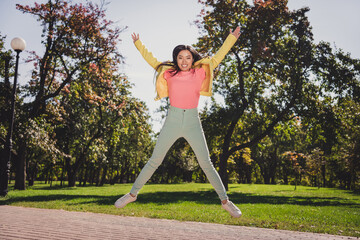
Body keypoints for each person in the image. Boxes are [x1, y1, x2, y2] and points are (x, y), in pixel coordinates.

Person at [115, 27, 242, 218]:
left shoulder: (199, 73)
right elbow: (152, 61)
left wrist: (231, 38)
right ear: (176, 59)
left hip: (192, 120)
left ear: (193, 59)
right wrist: (138, 44)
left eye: (188, 57)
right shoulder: (169, 73)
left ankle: (225, 201)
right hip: (172, 120)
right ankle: (132, 194)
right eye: (180, 57)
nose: (184, 61)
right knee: (154, 160)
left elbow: (217, 58)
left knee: (206, 163)